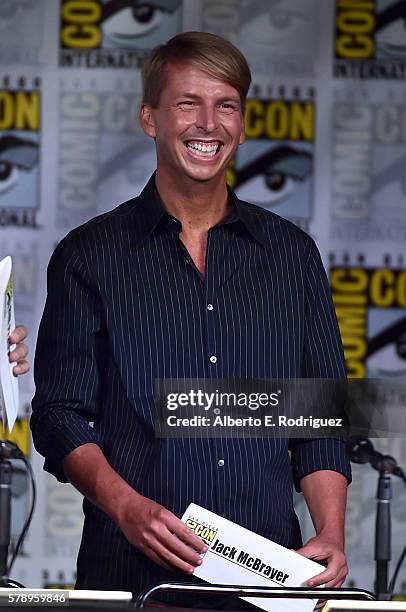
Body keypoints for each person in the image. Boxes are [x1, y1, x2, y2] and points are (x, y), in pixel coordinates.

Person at [31, 32, 351, 603]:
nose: (209, 124)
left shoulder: (292, 256)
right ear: (150, 118)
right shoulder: (89, 255)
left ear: (244, 124)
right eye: (187, 104)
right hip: (129, 575)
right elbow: (59, 414)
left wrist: (330, 531)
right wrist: (126, 507)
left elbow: (319, 418)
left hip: (269, 579)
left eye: (225, 105)